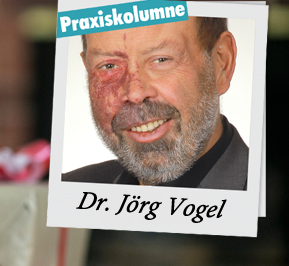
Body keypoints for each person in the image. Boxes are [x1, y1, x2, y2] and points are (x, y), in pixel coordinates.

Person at [62, 17, 248, 190]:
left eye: (161, 60)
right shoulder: (66, 192)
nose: (135, 94)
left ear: (221, 62)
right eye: (109, 66)